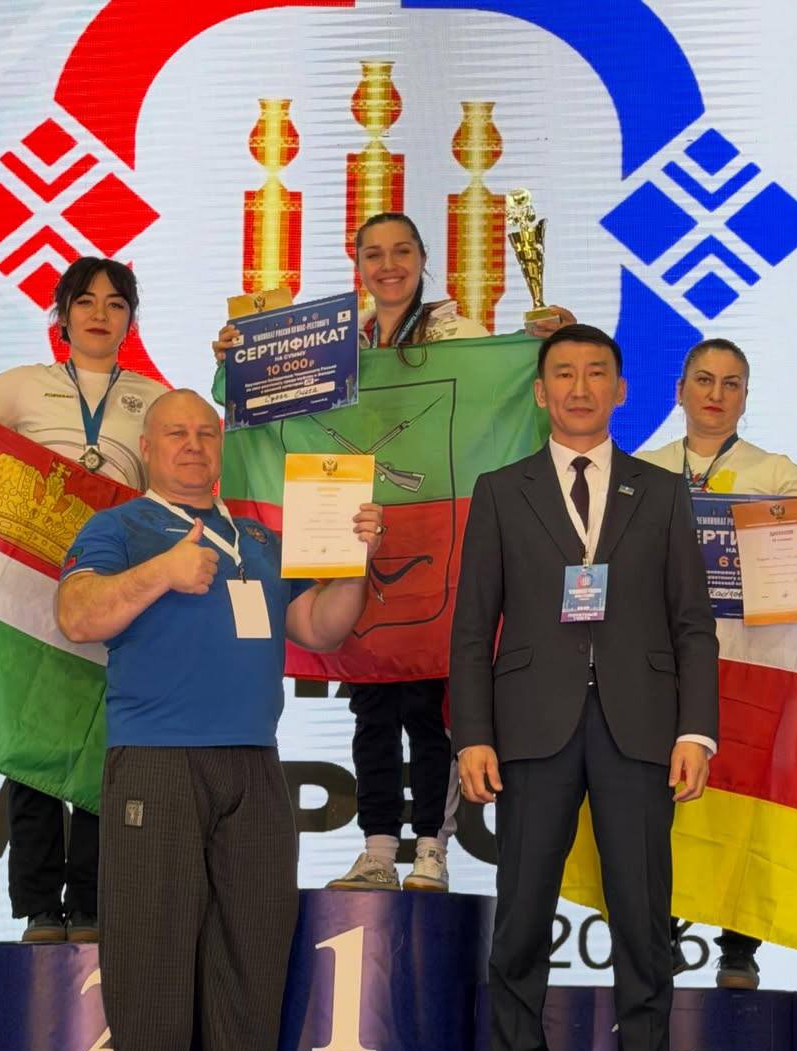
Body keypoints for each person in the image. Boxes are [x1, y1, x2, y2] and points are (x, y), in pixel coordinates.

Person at [56, 389, 384, 1051]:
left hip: (254, 759)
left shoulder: (260, 539)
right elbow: (75, 615)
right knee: (151, 927)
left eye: (207, 432)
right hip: (156, 755)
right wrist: (161, 572)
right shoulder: (119, 528)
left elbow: (318, 628)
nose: (194, 445)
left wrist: (354, 567)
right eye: (176, 432)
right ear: (147, 446)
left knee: (254, 929)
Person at [213, 211, 574, 896]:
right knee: (372, 705)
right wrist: (238, 358)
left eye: (402, 251)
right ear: (357, 265)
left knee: (431, 699)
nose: (388, 265)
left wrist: (547, 347)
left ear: (423, 258)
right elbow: (261, 403)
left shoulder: (459, 337)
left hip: (434, 538)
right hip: (351, 536)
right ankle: (377, 849)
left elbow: (510, 395)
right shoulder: (331, 342)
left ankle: (432, 849)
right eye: (373, 254)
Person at [451, 323, 718, 1051]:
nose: (578, 387)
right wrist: (473, 736)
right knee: (521, 922)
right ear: (540, 392)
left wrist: (696, 730)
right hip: (532, 729)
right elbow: (471, 630)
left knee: (643, 924)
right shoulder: (502, 490)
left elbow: (693, 624)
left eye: (595, 373)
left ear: (621, 390)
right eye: (562, 373)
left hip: (642, 730)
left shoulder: (661, 491)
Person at [0, 256, 167, 943]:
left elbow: (192, 471)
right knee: (34, 751)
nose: (100, 314)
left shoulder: (153, 400)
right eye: (85, 301)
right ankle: (39, 908)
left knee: (104, 748)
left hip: (115, 598)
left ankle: (91, 903)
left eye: (116, 303)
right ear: (62, 315)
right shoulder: (25, 385)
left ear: (131, 320)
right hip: (31, 596)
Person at [638, 338, 797, 990]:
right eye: (704, 380)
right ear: (680, 390)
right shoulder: (643, 469)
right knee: (658, 802)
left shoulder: (777, 474)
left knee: (741, 801)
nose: (716, 394)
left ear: (745, 396)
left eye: (731, 383)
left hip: (749, 664)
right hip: (659, 663)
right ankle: (656, 936)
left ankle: (739, 947)